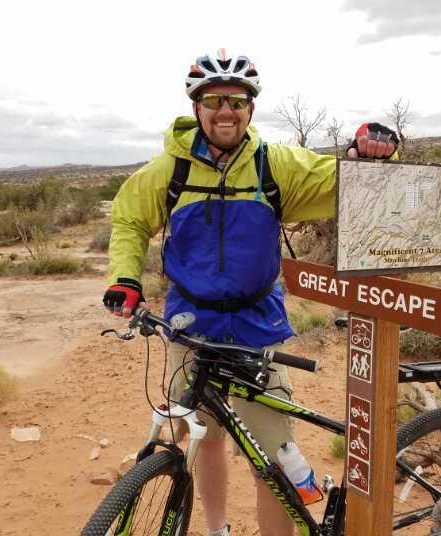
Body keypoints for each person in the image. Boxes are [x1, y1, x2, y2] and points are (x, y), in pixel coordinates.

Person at [104, 49, 398, 536]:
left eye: (237, 101)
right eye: (215, 99)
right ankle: (218, 530)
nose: (226, 110)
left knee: (272, 452)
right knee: (205, 436)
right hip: (190, 325)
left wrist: (368, 151)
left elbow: (343, 177)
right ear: (196, 107)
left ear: (251, 109)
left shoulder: (274, 166)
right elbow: (129, 220)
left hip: (256, 323)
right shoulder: (169, 172)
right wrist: (125, 278)